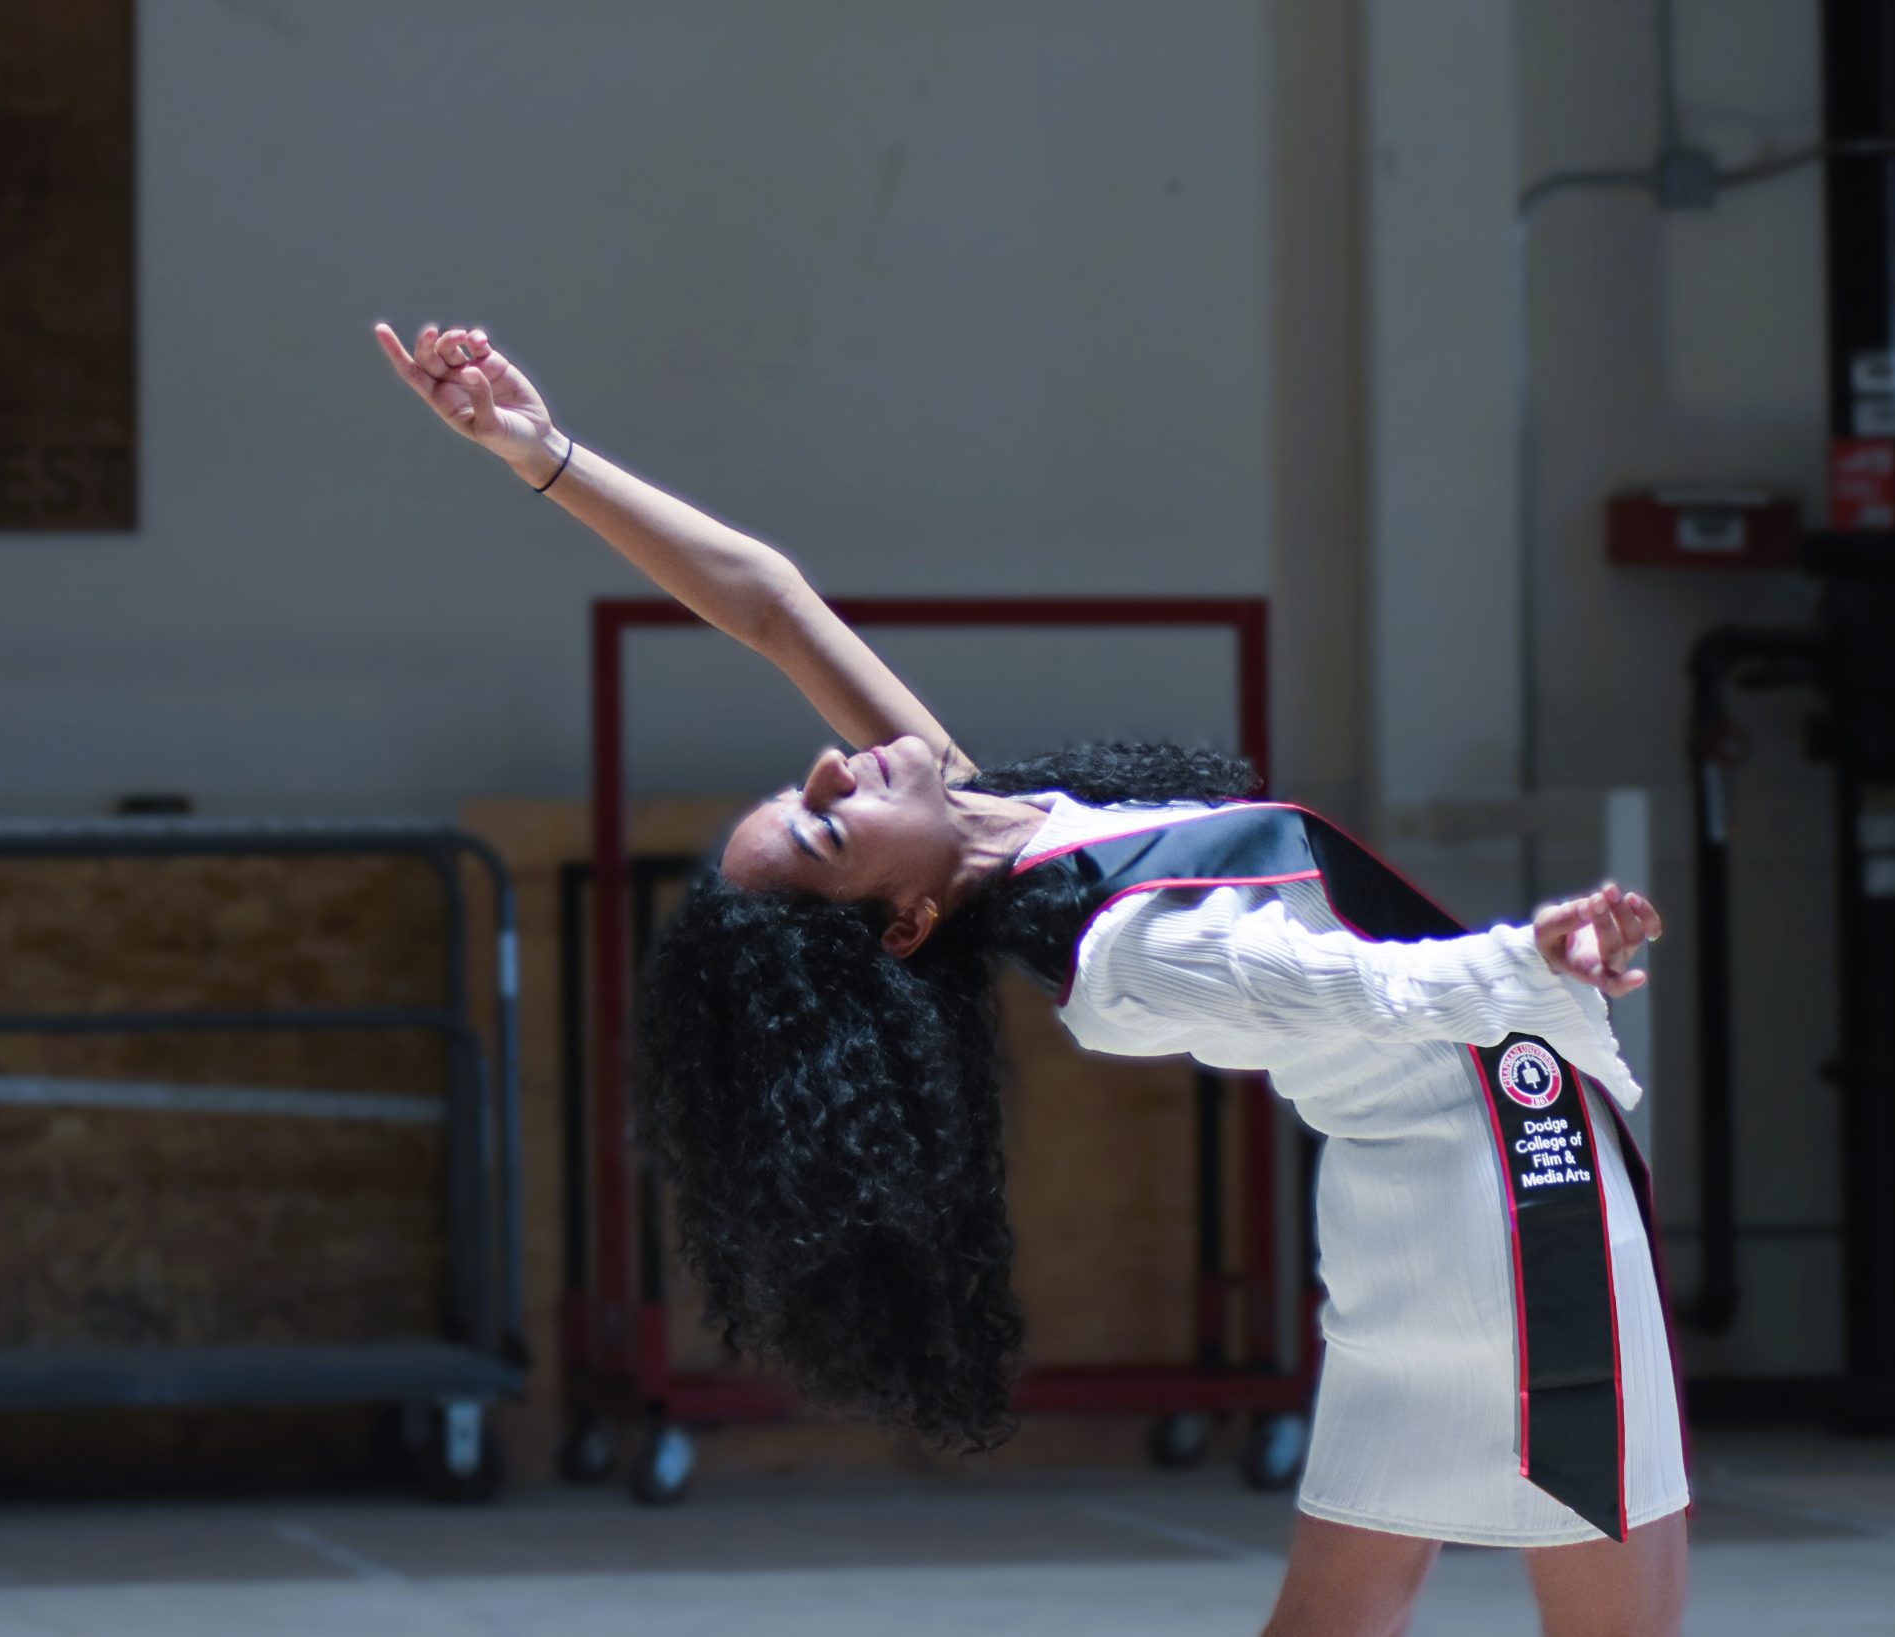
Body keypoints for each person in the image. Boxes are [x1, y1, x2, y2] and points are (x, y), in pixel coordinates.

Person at [377, 320, 1689, 1636]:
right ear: (906, 922)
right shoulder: (1125, 952)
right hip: (1516, 1189)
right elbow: (1362, 988)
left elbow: (770, 603)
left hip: (1419, 1206)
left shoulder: (1009, 828)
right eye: (827, 829)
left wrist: (541, 453)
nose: (831, 769)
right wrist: (1529, 956)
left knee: (1333, 1620)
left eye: (801, 787)